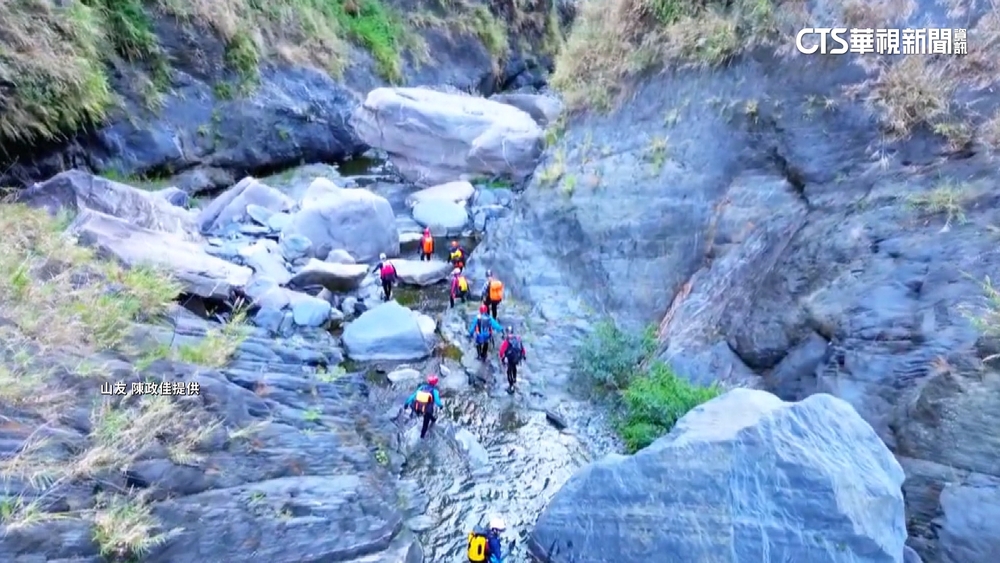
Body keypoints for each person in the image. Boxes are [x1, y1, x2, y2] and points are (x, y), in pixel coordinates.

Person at [403, 374, 443, 439]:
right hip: (427, 410)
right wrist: (441, 406)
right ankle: (422, 437)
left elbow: (413, 396)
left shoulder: (422, 387)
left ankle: (432, 419)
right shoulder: (435, 391)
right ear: (435, 383)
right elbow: (437, 401)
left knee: (420, 412)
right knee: (425, 425)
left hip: (418, 408)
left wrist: (406, 404)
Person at [498, 327, 526, 392]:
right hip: (517, 358)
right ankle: (514, 379)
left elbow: (501, 351)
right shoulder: (517, 339)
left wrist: (502, 358)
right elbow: (522, 349)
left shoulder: (507, 341)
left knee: (508, 371)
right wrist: (523, 356)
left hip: (510, 358)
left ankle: (511, 385)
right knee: (514, 367)